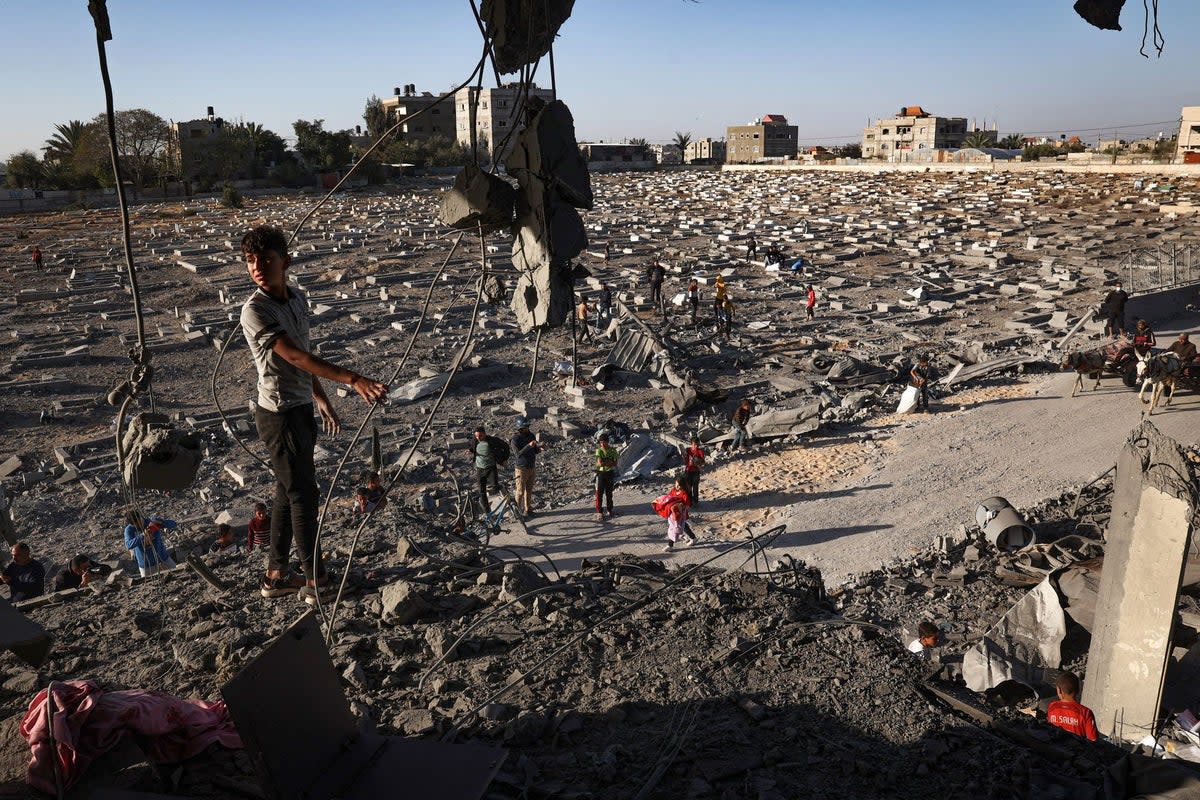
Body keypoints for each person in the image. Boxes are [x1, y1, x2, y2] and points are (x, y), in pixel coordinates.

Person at [239, 224, 389, 604]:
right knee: (304, 496)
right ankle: (316, 582)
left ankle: (276, 575)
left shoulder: (297, 300)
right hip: (279, 414)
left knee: (287, 492)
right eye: (251, 261)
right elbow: (292, 355)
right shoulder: (255, 310)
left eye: (266, 259)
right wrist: (352, 379)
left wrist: (320, 396)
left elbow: (302, 355)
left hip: (300, 407)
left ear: (285, 262)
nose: (258, 267)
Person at [122, 510, 177, 577]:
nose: (140, 525)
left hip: (163, 558)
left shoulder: (151, 521)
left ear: (141, 517)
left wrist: (162, 522)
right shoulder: (129, 529)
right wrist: (142, 535)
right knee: (149, 584)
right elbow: (128, 545)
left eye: (140, 522)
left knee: (176, 575)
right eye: (136, 525)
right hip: (146, 565)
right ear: (132, 524)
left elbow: (173, 524)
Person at [1046, 671, 1099, 741]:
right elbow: (1093, 740)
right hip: (1077, 751)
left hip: (1055, 750)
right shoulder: (1086, 712)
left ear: (1059, 690)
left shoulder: (1052, 707)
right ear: (1078, 690)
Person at [470, 426, 508, 513]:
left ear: (485, 434)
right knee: (482, 492)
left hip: (491, 468)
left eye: (480, 436)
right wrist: (470, 450)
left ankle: (508, 501)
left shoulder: (492, 440)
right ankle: (488, 513)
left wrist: (504, 459)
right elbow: (472, 447)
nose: (478, 438)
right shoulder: (475, 441)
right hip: (480, 470)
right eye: (476, 436)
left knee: (495, 488)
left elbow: (505, 446)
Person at [510, 417, 542, 516]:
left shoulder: (531, 435)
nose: (527, 428)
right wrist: (529, 445)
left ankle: (528, 509)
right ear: (520, 428)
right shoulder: (515, 439)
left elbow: (535, 450)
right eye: (525, 427)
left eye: (527, 426)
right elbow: (518, 454)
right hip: (521, 469)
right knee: (520, 492)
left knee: (529, 490)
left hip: (531, 467)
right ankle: (517, 512)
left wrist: (540, 448)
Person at [663, 478, 698, 551]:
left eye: (678, 485)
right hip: (672, 514)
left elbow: (687, 505)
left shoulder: (684, 494)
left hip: (680, 514)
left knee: (675, 527)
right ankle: (693, 538)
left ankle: (670, 545)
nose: (676, 487)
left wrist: (679, 506)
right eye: (676, 485)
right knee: (684, 526)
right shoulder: (673, 490)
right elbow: (669, 498)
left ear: (682, 486)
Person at [594, 434, 618, 521]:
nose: (602, 444)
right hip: (601, 473)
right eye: (601, 443)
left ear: (608, 442)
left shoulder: (613, 451)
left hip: (609, 473)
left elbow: (615, 463)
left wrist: (605, 462)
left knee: (609, 493)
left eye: (604, 442)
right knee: (599, 493)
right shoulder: (599, 451)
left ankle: (610, 510)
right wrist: (609, 461)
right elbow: (600, 463)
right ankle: (600, 512)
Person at [683, 436, 705, 504]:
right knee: (688, 487)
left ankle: (695, 501)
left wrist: (697, 461)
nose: (695, 446)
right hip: (688, 471)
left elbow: (703, 462)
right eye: (694, 444)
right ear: (691, 444)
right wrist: (684, 455)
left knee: (695, 487)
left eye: (697, 444)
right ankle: (689, 500)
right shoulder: (687, 450)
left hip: (696, 471)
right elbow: (684, 459)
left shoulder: (700, 451)